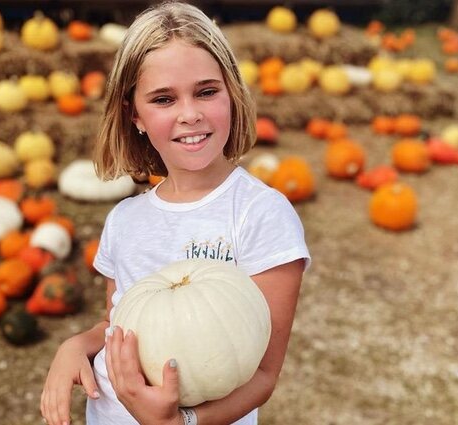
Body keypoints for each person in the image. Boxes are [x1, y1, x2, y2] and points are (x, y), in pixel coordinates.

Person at [40, 2, 310, 424]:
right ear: (136, 115)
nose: (190, 114)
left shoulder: (260, 215)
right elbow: (118, 325)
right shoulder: (125, 220)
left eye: (206, 91)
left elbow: (262, 375)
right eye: (164, 99)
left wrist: (178, 423)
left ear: (232, 92)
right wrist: (76, 346)